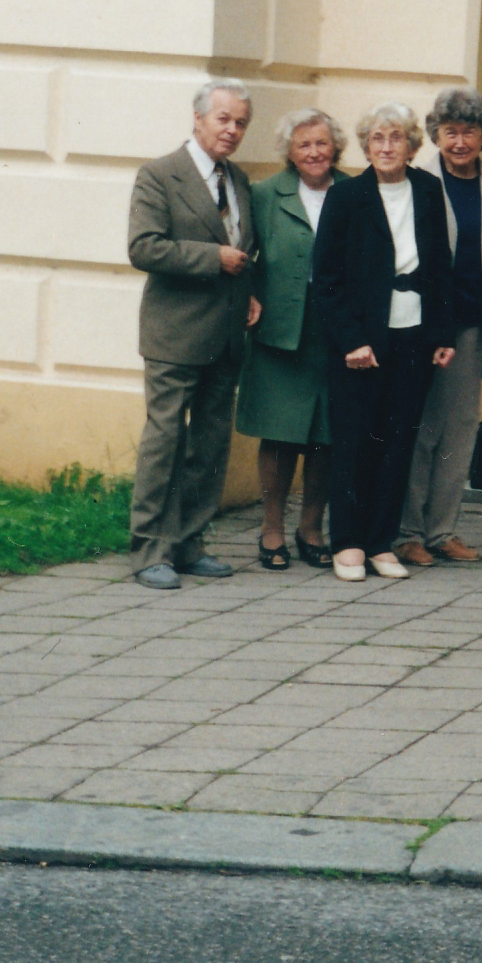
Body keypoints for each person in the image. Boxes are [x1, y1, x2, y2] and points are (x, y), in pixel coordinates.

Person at [125, 80, 261, 590]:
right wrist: (212, 258)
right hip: (175, 335)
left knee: (210, 444)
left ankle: (188, 543)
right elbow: (143, 247)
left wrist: (251, 291)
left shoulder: (239, 179)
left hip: (226, 335)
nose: (232, 130)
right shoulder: (160, 175)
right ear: (198, 118)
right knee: (165, 442)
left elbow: (246, 248)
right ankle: (149, 550)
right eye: (223, 119)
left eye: (241, 122)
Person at [312, 103, 456, 582]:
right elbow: (326, 279)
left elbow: (440, 266)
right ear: (366, 146)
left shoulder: (428, 190)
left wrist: (443, 333)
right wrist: (351, 339)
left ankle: (380, 542)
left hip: (415, 335)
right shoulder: (346, 196)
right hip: (362, 340)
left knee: (398, 441)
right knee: (355, 441)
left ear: (412, 146)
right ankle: (347, 542)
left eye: (397, 138)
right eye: (378, 138)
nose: (387, 147)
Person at [398, 89, 482, 567]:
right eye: (450, 132)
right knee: (420, 429)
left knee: (459, 431)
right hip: (422, 326)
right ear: (436, 136)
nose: (460, 141)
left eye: (470, 132)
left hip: (472, 325)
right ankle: (407, 532)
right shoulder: (416, 180)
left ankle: (441, 530)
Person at [237, 108, 344, 572]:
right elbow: (243, 253)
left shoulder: (354, 192)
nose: (314, 152)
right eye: (304, 145)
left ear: (335, 147)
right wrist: (249, 295)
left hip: (336, 331)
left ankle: (311, 528)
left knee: (326, 434)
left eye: (322, 143)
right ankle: (272, 528)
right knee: (280, 434)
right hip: (280, 328)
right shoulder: (265, 194)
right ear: (290, 152)